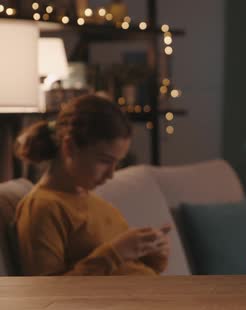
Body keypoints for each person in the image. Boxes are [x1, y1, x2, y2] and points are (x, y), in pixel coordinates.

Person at [14, 94, 171, 276]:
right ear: (70, 147)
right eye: (105, 160)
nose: (112, 174)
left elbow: (127, 271)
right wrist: (115, 253)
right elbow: (47, 293)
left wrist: (155, 255)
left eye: (117, 163)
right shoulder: (43, 207)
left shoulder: (99, 205)